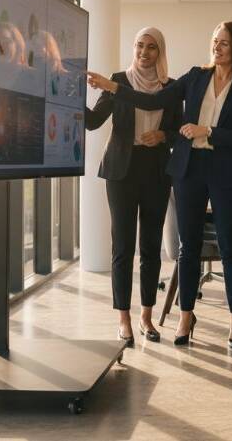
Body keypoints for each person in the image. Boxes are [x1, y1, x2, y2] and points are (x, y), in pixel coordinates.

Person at [88, 22, 232, 349]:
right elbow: (152, 102)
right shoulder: (196, 76)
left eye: (224, 43)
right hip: (189, 171)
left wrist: (205, 130)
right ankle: (185, 315)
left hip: (225, 173)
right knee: (188, 247)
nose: (217, 48)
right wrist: (113, 88)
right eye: (214, 41)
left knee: (228, 247)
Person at [85, 27, 181, 346]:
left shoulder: (170, 87)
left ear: (160, 51)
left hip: (155, 170)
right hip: (120, 171)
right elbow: (92, 121)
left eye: (151, 47)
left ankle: (146, 317)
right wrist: (65, 96)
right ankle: (123, 318)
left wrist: (163, 135)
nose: (144, 52)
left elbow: (178, 128)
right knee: (123, 246)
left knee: (151, 247)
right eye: (139, 45)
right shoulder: (119, 80)